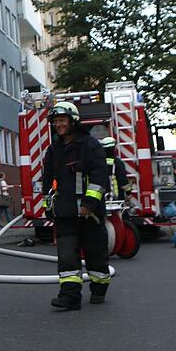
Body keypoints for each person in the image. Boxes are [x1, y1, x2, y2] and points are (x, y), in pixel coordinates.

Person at [41, 101, 111, 310]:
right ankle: (70, 296)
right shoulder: (54, 149)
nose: (58, 125)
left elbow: (100, 177)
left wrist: (89, 203)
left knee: (95, 255)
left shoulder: (90, 146)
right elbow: (48, 181)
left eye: (62, 120)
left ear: (73, 121)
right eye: (55, 122)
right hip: (64, 212)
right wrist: (48, 206)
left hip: (89, 214)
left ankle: (99, 288)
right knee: (67, 256)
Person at [99, 136, 130, 203]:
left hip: (101, 198)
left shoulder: (98, 163)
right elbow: (123, 181)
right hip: (116, 198)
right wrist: (129, 192)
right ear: (113, 149)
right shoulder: (117, 163)